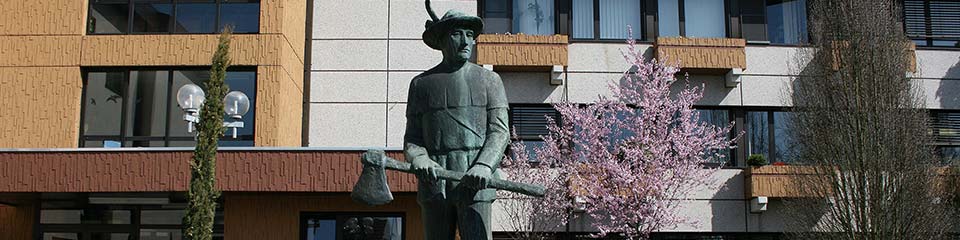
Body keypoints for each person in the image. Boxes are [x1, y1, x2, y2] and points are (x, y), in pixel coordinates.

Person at [404, 1, 510, 239]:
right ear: (442, 39)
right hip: (434, 180)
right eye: (457, 34)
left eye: (470, 35)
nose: (465, 42)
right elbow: (412, 137)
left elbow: (500, 131)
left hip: (475, 179)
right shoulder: (420, 85)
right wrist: (420, 158)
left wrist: (484, 165)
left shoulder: (490, 80)